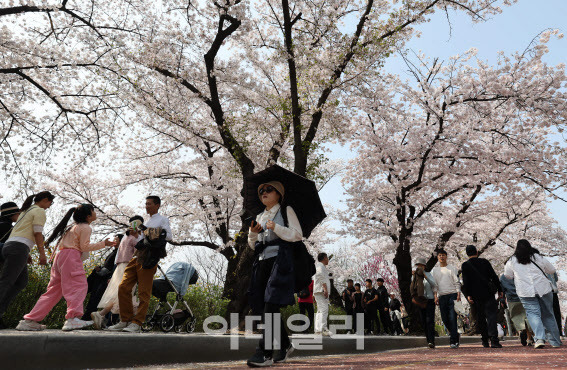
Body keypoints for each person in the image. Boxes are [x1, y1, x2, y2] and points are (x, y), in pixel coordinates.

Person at [16, 204, 115, 331]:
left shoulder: (72, 227)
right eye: (93, 211)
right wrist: (103, 244)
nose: (95, 213)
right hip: (71, 257)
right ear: (88, 215)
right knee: (78, 286)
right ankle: (73, 319)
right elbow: (84, 247)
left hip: (61, 257)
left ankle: (30, 320)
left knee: (52, 292)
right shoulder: (85, 227)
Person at [245, 181, 302, 367]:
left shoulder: (286, 211)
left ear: (279, 194)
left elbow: (297, 235)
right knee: (265, 307)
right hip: (262, 263)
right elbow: (254, 246)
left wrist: (275, 227)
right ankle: (285, 345)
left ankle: (265, 353)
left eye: (269, 189)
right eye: (261, 190)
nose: (264, 192)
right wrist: (253, 234)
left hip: (280, 262)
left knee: (270, 303)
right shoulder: (259, 215)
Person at [108, 196, 172, 333]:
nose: (146, 206)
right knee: (123, 287)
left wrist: (144, 229)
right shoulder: (148, 221)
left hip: (150, 258)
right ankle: (125, 320)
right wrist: (136, 234)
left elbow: (168, 236)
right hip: (137, 255)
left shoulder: (162, 220)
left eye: (149, 204)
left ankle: (137, 322)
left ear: (157, 205)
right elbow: (143, 240)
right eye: (146, 204)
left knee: (144, 292)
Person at [0, 192, 53, 329]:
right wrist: (42, 254)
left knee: (21, 282)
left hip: (13, 247)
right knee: (7, 282)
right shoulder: (39, 210)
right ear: (46, 200)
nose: (49, 207)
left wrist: (26, 252)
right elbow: (37, 233)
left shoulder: (25, 211)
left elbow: (19, 231)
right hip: (18, 248)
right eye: (50, 203)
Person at [503, 239, 561, 349]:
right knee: (548, 314)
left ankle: (539, 339)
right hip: (543, 288)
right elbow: (552, 270)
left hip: (525, 291)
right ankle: (555, 342)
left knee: (533, 314)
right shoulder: (537, 257)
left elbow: (508, 276)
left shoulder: (512, 260)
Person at [92, 216, 144, 329]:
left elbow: (118, 257)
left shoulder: (125, 236)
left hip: (120, 267)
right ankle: (122, 320)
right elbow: (139, 253)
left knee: (119, 293)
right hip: (129, 266)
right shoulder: (135, 237)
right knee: (126, 293)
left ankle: (102, 315)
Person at [461, 245, 503, 348]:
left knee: (480, 317)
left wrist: (468, 295)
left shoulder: (465, 265)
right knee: (492, 317)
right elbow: (494, 276)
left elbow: (466, 282)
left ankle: (484, 340)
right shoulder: (484, 262)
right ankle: (494, 340)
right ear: (476, 251)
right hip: (488, 293)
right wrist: (500, 289)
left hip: (475, 295)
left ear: (467, 254)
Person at [81, 233, 122, 322]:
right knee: (94, 298)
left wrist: (110, 276)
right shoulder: (113, 252)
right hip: (101, 277)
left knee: (97, 299)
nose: (114, 241)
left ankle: (91, 318)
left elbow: (115, 267)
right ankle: (88, 318)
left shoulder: (120, 253)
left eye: (116, 240)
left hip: (107, 279)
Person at [431, 249, 461, 348]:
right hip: (441, 296)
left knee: (452, 318)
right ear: (437, 257)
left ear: (446, 256)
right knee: (444, 319)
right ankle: (455, 334)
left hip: (452, 295)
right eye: (440, 255)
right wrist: (435, 296)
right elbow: (434, 285)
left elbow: (457, 282)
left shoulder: (452, 268)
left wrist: (458, 294)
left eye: (443, 255)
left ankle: (453, 341)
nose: (441, 257)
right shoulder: (435, 270)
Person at [500, 273, 533, 346]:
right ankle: (529, 339)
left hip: (512, 299)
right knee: (527, 317)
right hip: (525, 297)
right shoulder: (521, 272)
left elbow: (501, 290)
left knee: (516, 317)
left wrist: (502, 300)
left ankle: (521, 331)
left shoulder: (503, 277)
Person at [411, 257, 437, 348]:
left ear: (424, 266)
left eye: (421, 265)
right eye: (418, 265)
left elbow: (434, 285)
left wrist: (426, 277)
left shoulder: (429, 274)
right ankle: (428, 340)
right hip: (420, 301)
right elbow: (413, 288)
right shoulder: (414, 276)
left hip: (429, 300)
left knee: (430, 321)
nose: (419, 267)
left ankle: (431, 341)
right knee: (423, 321)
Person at [313, 252, 331, 336]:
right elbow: (320, 275)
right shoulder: (320, 266)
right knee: (324, 309)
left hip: (319, 290)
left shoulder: (320, 266)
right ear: (324, 258)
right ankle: (323, 329)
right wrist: (325, 288)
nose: (328, 260)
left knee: (320, 310)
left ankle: (318, 329)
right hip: (321, 290)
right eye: (327, 258)